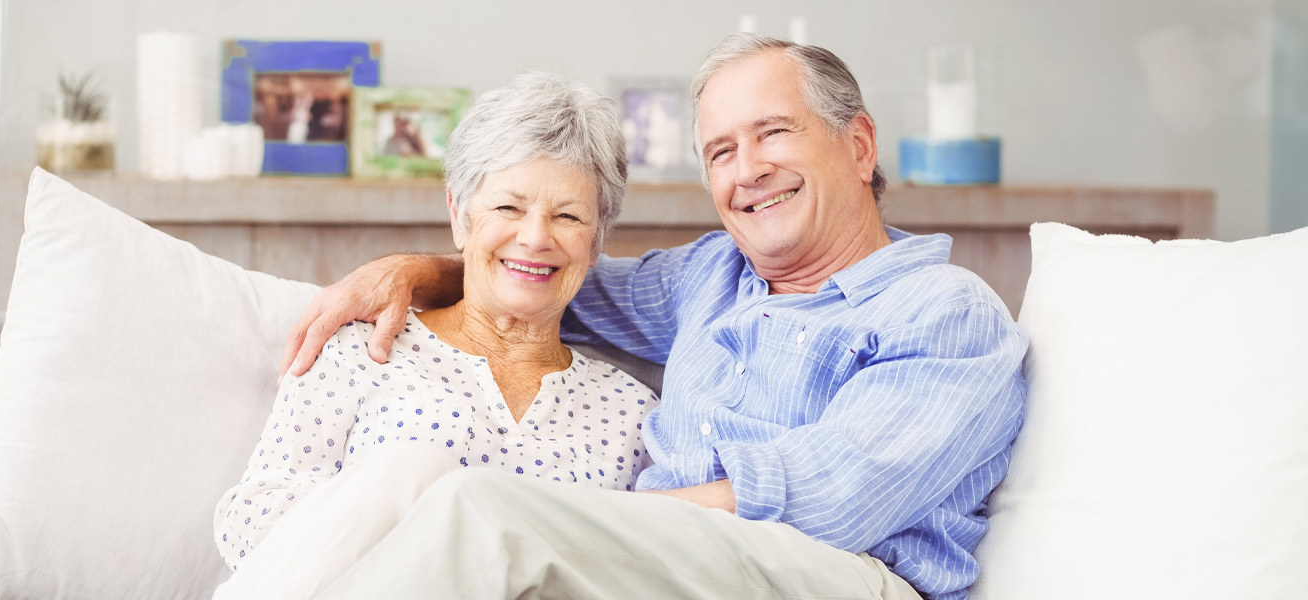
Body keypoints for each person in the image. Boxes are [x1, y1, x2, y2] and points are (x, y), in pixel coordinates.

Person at [279, 34, 1029, 600]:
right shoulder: (712, 276)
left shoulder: (946, 313)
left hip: (839, 573)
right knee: (424, 482)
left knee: (482, 510)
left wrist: (589, 521)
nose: (747, 170)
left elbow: (831, 496)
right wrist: (414, 271)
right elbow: (546, 273)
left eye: (773, 133)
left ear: (858, 146)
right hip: (681, 569)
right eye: (721, 152)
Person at [212, 71, 658, 597]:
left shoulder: (630, 412)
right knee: (415, 467)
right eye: (508, 208)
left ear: (597, 240)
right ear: (460, 216)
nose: (536, 238)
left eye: (567, 216)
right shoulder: (364, 349)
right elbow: (250, 518)